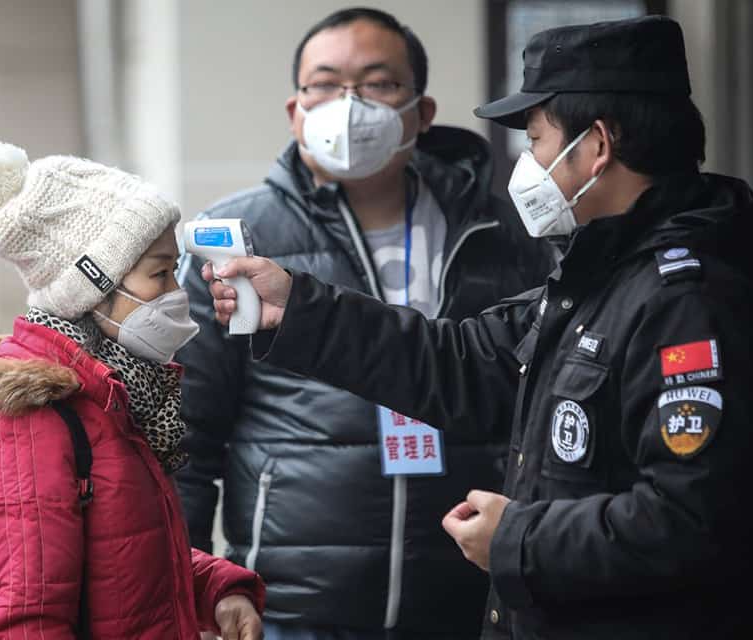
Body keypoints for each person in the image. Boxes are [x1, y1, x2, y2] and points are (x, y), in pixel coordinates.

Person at [200, 16, 753, 640]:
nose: (528, 163)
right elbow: (465, 364)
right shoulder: (599, 276)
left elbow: (690, 518)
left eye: (536, 139)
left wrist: (517, 538)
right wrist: (297, 309)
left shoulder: (688, 298)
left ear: (596, 147)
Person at [173, 7, 553, 640]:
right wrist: (188, 585)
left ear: (421, 112)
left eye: (378, 84)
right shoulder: (236, 242)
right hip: (289, 609)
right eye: (324, 85)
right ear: (295, 111)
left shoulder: (507, 236)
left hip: (475, 599)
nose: (348, 106)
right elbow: (187, 439)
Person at [0, 141, 265, 639]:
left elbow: (124, 560)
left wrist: (215, 591)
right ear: (92, 286)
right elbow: (27, 622)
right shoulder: (27, 427)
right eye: (159, 273)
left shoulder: (109, 401)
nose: (176, 291)